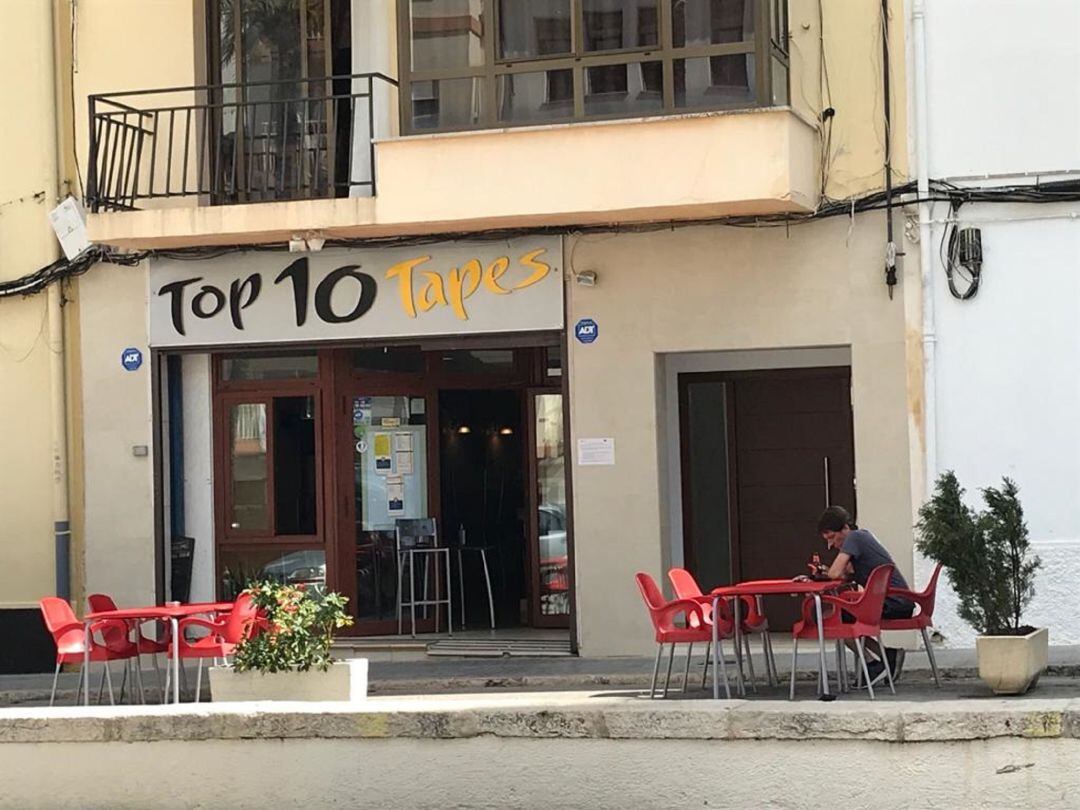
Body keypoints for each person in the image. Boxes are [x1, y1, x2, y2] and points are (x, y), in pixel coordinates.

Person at [817, 505, 915, 685]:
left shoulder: (854, 537)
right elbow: (845, 575)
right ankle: (886, 656)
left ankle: (874, 664)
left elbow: (835, 573)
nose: (831, 544)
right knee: (844, 617)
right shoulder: (863, 538)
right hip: (900, 601)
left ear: (845, 528)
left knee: (838, 618)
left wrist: (827, 571)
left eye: (832, 537)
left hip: (895, 603)